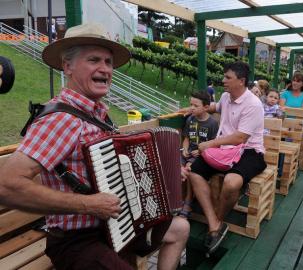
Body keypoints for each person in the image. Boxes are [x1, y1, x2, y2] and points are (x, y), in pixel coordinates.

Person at [0, 23, 189, 270]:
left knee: (180, 228)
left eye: (108, 62)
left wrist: (165, 175)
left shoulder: (98, 114)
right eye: (94, 60)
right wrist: (89, 204)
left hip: (114, 225)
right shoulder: (61, 120)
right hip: (77, 240)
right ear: (67, 66)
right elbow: (6, 186)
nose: (105, 69)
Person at [189, 61, 266, 255]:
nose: (222, 80)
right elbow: (217, 107)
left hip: (249, 150)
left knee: (232, 182)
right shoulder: (226, 96)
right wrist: (201, 109)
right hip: (225, 150)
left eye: (227, 77)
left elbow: (240, 137)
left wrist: (210, 144)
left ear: (241, 81)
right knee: (194, 172)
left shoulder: (253, 104)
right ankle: (214, 224)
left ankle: (218, 219)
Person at [180, 91, 219, 219]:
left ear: (206, 107)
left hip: (202, 155)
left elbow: (215, 144)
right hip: (188, 152)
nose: (192, 108)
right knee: (176, 165)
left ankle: (188, 201)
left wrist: (201, 151)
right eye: (191, 104)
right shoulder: (190, 119)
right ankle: (178, 197)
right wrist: (184, 148)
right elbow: (186, 138)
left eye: (196, 106)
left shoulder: (212, 124)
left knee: (190, 168)